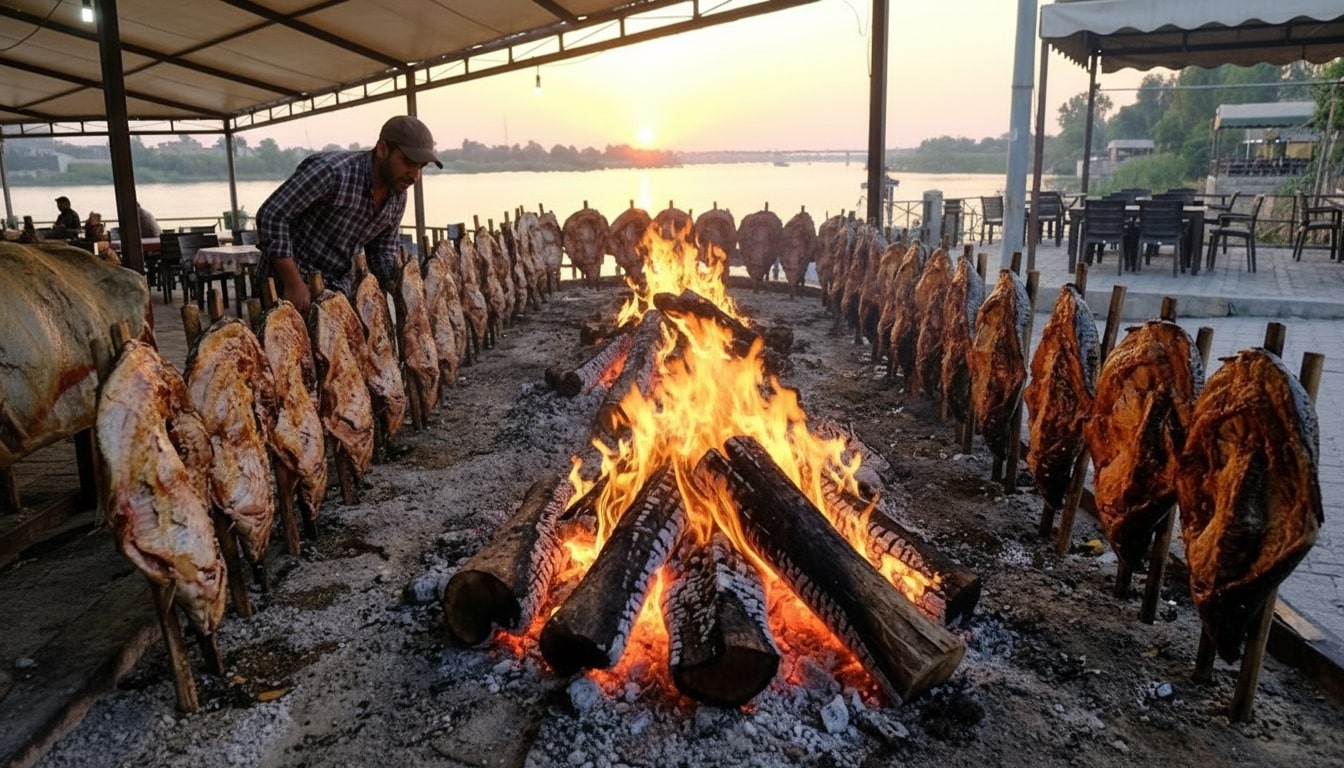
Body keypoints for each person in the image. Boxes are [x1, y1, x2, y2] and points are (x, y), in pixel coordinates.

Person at [255, 115, 442, 315]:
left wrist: (402, 286)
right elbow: (272, 214)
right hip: (286, 285)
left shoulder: (398, 195)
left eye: (420, 167)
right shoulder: (333, 172)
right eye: (408, 162)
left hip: (335, 290)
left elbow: (381, 251)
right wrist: (293, 282)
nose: (414, 175)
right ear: (382, 149)